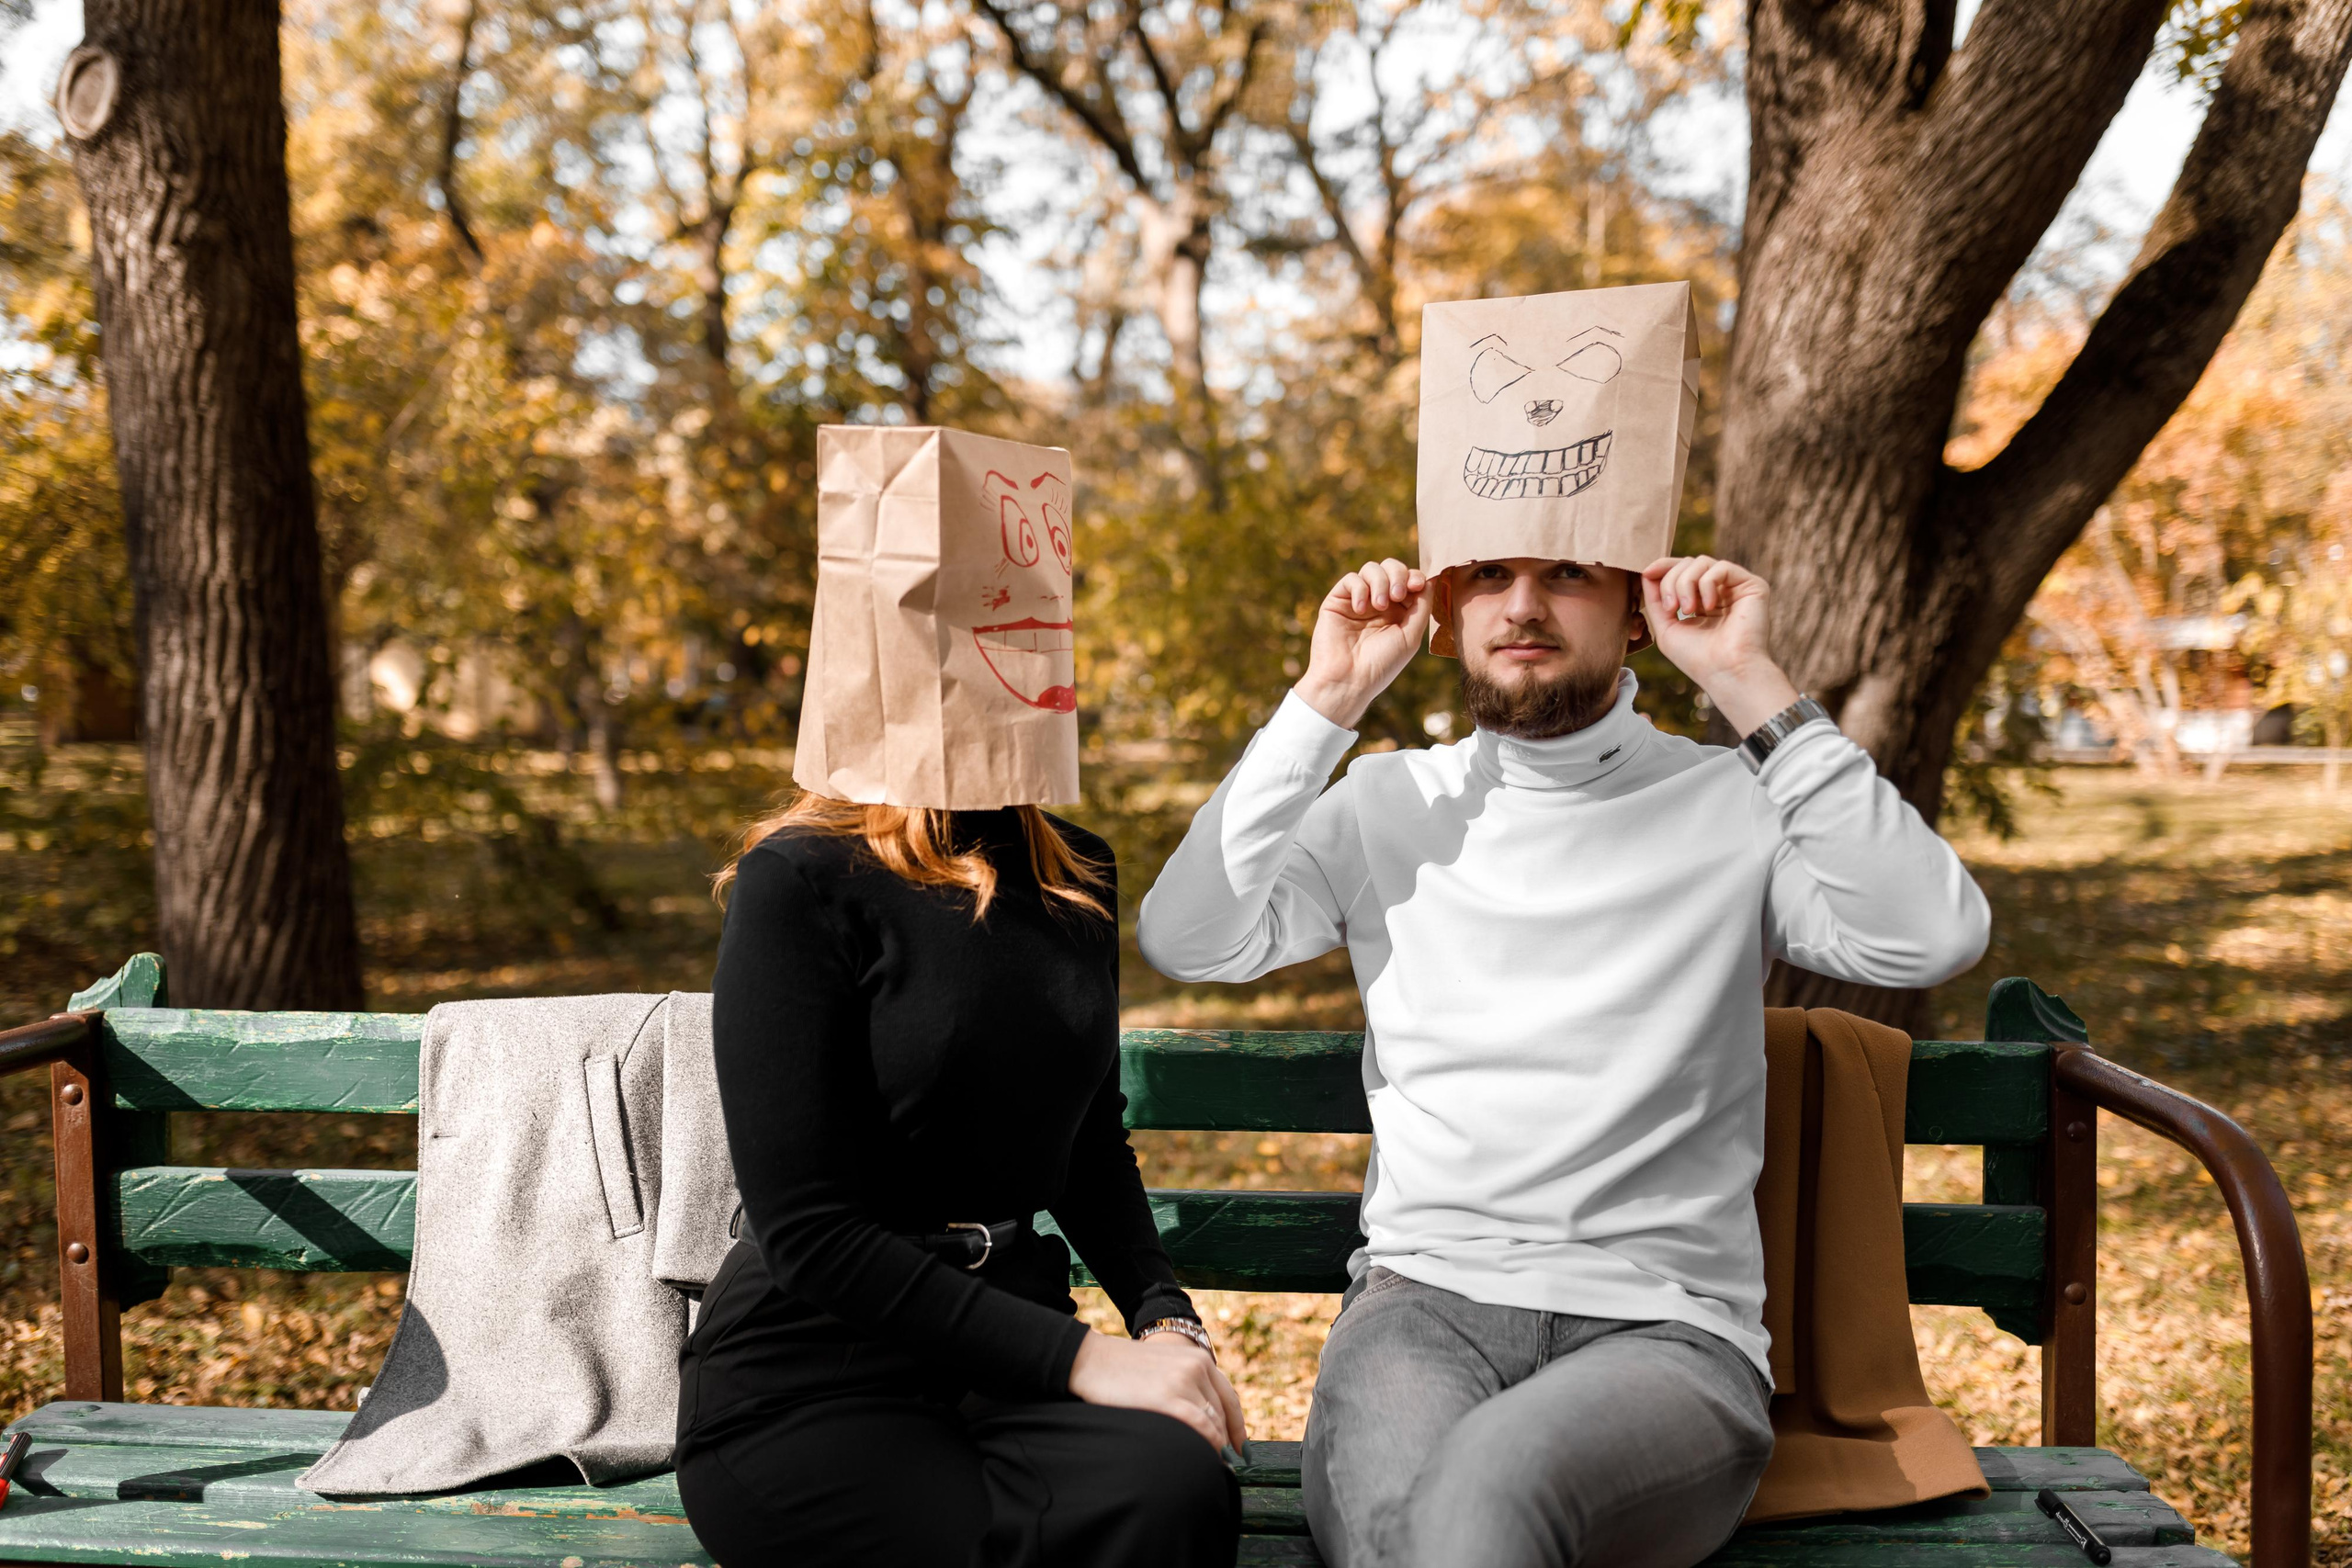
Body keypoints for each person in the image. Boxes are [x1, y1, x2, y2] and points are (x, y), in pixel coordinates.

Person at [1136, 553, 1990, 1568]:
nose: (1525, 607)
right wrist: (1328, 697)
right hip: (1418, 1312)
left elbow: (1928, 936)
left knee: (1479, 1498)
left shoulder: (1732, 801)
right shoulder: (1385, 801)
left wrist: (1746, 682)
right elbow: (1190, 938)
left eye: (1571, 574)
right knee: (1422, 1537)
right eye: (1489, 575)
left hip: (1665, 1337)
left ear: (1636, 609)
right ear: (1445, 610)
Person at [679, 793, 1247, 1568]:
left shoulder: (1078, 869)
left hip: (1009, 1347)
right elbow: (809, 1234)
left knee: (1177, 1486)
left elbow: (1088, 1139)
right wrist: (1088, 1357)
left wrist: (1164, 1317)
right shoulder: (800, 872)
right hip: (815, 1366)